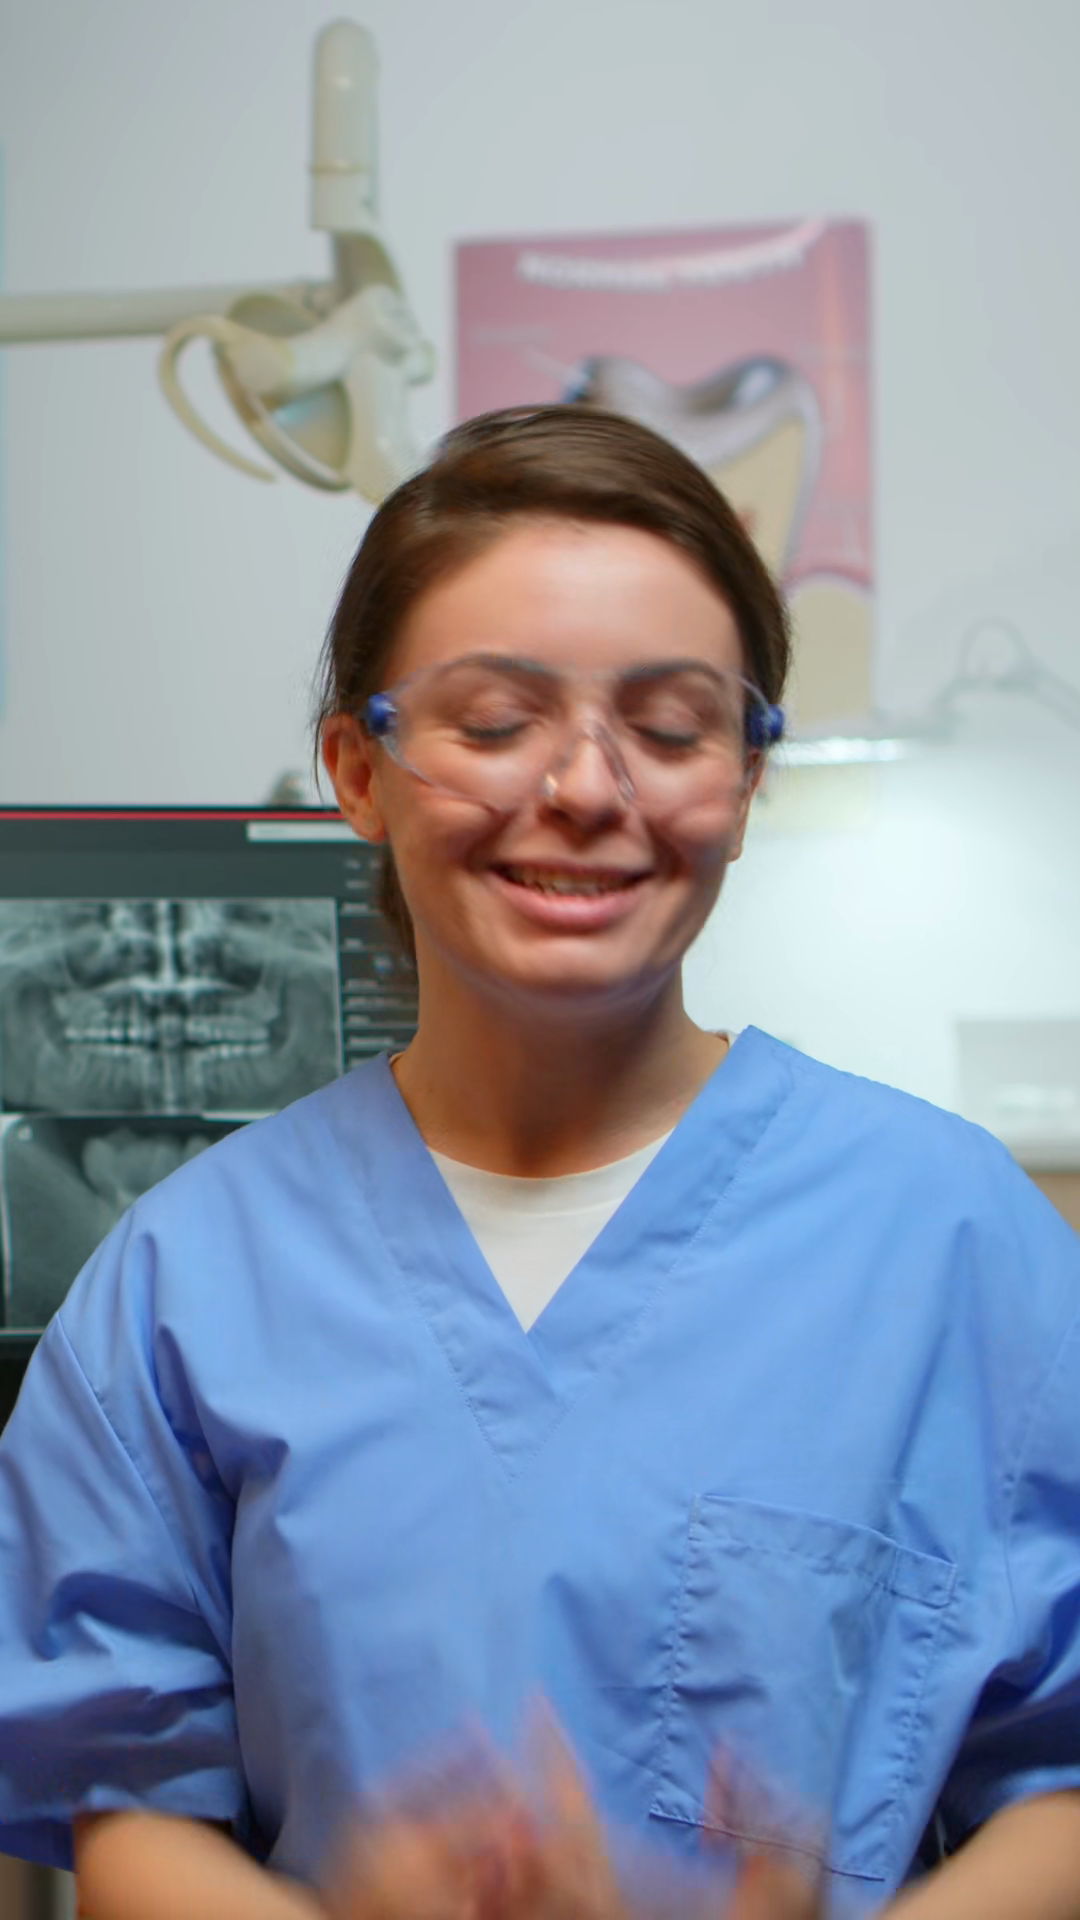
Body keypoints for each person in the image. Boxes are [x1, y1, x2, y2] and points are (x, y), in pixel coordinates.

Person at [0, 406, 1078, 1920]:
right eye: (497, 722)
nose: (583, 787)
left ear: (748, 780)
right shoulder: (181, 1288)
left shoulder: (956, 1241)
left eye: (673, 727)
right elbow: (130, 1804)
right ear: (358, 773)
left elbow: (1060, 1786)